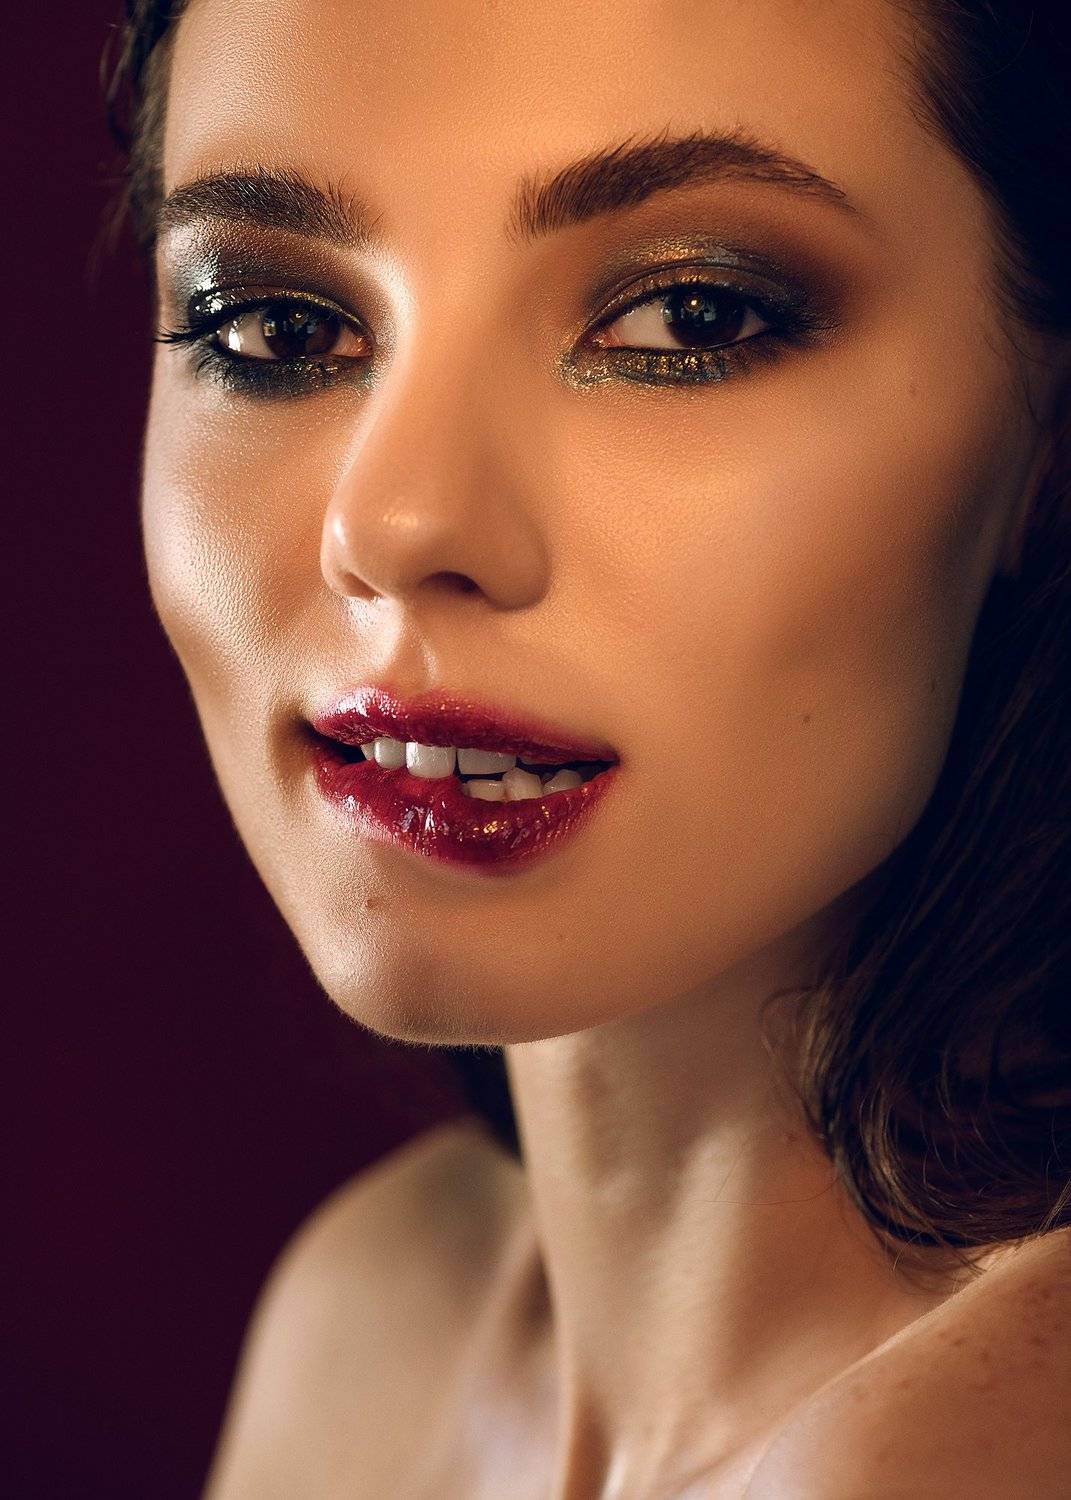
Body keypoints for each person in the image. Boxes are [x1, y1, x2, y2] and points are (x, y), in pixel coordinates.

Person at [104, 0, 1071, 1494]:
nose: (401, 521)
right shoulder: (371, 1311)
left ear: (1047, 443)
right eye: (277, 326)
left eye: (692, 318)